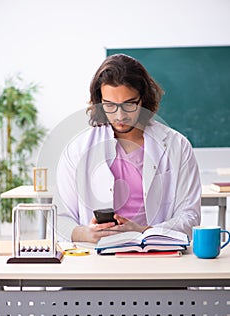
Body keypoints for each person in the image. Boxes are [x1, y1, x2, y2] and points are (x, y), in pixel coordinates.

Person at [57, 54, 201, 243]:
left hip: (157, 253)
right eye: (110, 105)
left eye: (129, 104)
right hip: (97, 258)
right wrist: (86, 234)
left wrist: (145, 231)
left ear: (143, 99)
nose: (120, 115)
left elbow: (190, 217)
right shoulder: (78, 149)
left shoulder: (177, 145)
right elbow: (59, 219)